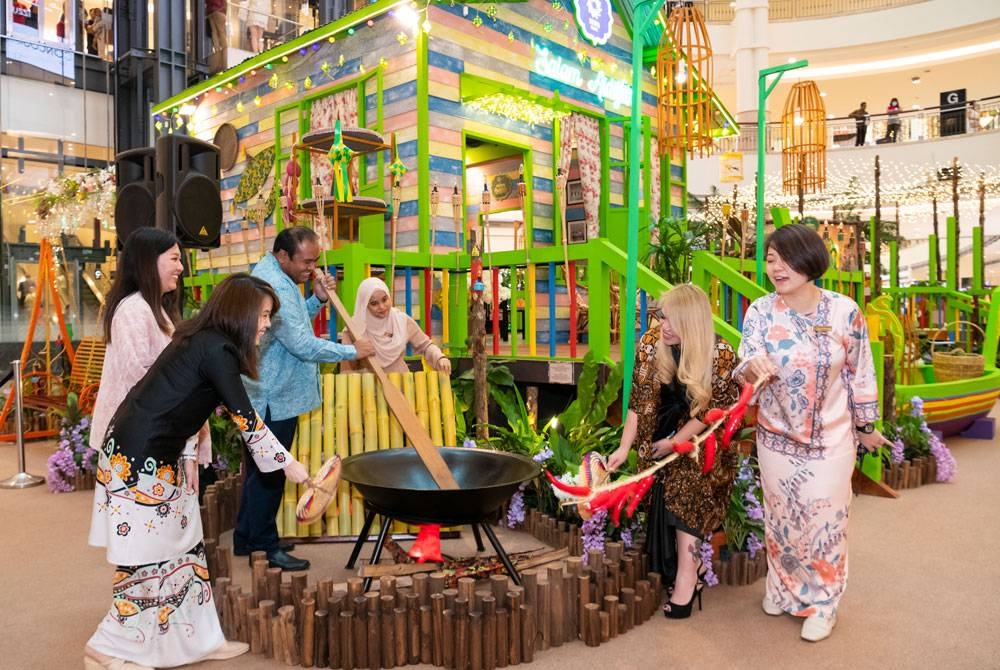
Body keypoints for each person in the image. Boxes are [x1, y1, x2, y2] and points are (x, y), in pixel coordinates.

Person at [85, 274, 311, 670]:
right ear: (240, 313)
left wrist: (189, 454)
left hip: (162, 452)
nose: (265, 324)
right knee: (145, 557)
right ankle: (107, 646)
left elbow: (178, 399)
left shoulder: (205, 341)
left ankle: (199, 638)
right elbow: (246, 418)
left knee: (184, 546)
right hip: (135, 458)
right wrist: (288, 464)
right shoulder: (215, 349)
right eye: (262, 315)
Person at [736, 223, 891, 643]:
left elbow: (861, 373)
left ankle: (824, 603)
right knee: (782, 518)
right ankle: (783, 589)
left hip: (832, 440)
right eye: (770, 259)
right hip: (775, 438)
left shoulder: (845, 312)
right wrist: (752, 368)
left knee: (825, 521)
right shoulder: (760, 311)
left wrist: (866, 426)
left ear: (809, 260)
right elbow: (744, 358)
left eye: (785, 258)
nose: (776, 267)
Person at [235, 226, 374, 571]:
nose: (312, 268)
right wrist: (352, 350)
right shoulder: (271, 285)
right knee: (270, 472)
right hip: (272, 395)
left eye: (315, 261)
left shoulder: (280, 277)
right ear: (283, 256)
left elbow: (292, 326)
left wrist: (318, 300)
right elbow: (301, 344)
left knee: (257, 469)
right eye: (306, 261)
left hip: (270, 391)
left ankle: (246, 537)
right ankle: (265, 547)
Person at [607, 284, 740, 619]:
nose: (663, 325)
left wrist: (676, 443)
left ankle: (687, 575)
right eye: (662, 316)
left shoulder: (720, 354)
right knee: (665, 470)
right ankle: (680, 568)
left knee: (685, 479)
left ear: (692, 323)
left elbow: (715, 414)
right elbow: (638, 404)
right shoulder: (651, 345)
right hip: (660, 431)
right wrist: (624, 449)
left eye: (672, 320)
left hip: (705, 441)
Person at [88, 229, 186, 455]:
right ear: (149, 262)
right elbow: (141, 378)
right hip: (133, 437)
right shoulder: (133, 310)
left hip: (145, 433)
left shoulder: (155, 307)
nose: (180, 267)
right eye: (174, 259)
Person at [340, 276, 452, 375]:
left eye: (385, 299)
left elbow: (425, 345)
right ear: (364, 304)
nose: (382, 307)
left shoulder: (401, 320)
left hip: (402, 387)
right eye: (374, 303)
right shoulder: (353, 329)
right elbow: (346, 369)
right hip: (367, 391)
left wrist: (439, 358)